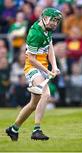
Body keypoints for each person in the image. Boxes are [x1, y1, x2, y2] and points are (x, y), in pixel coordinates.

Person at [5, 8, 63, 141]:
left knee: (33, 104)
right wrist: (47, 71)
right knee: (46, 93)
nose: (55, 23)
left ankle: (13, 129)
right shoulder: (34, 33)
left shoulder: (47, 30)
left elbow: (50, 47)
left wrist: (54, 66)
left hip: (42, 66)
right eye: (53, 20)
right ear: (44, 18)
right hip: (32, 67)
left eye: (56, 21)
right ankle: (36, 130)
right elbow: (31, 59)